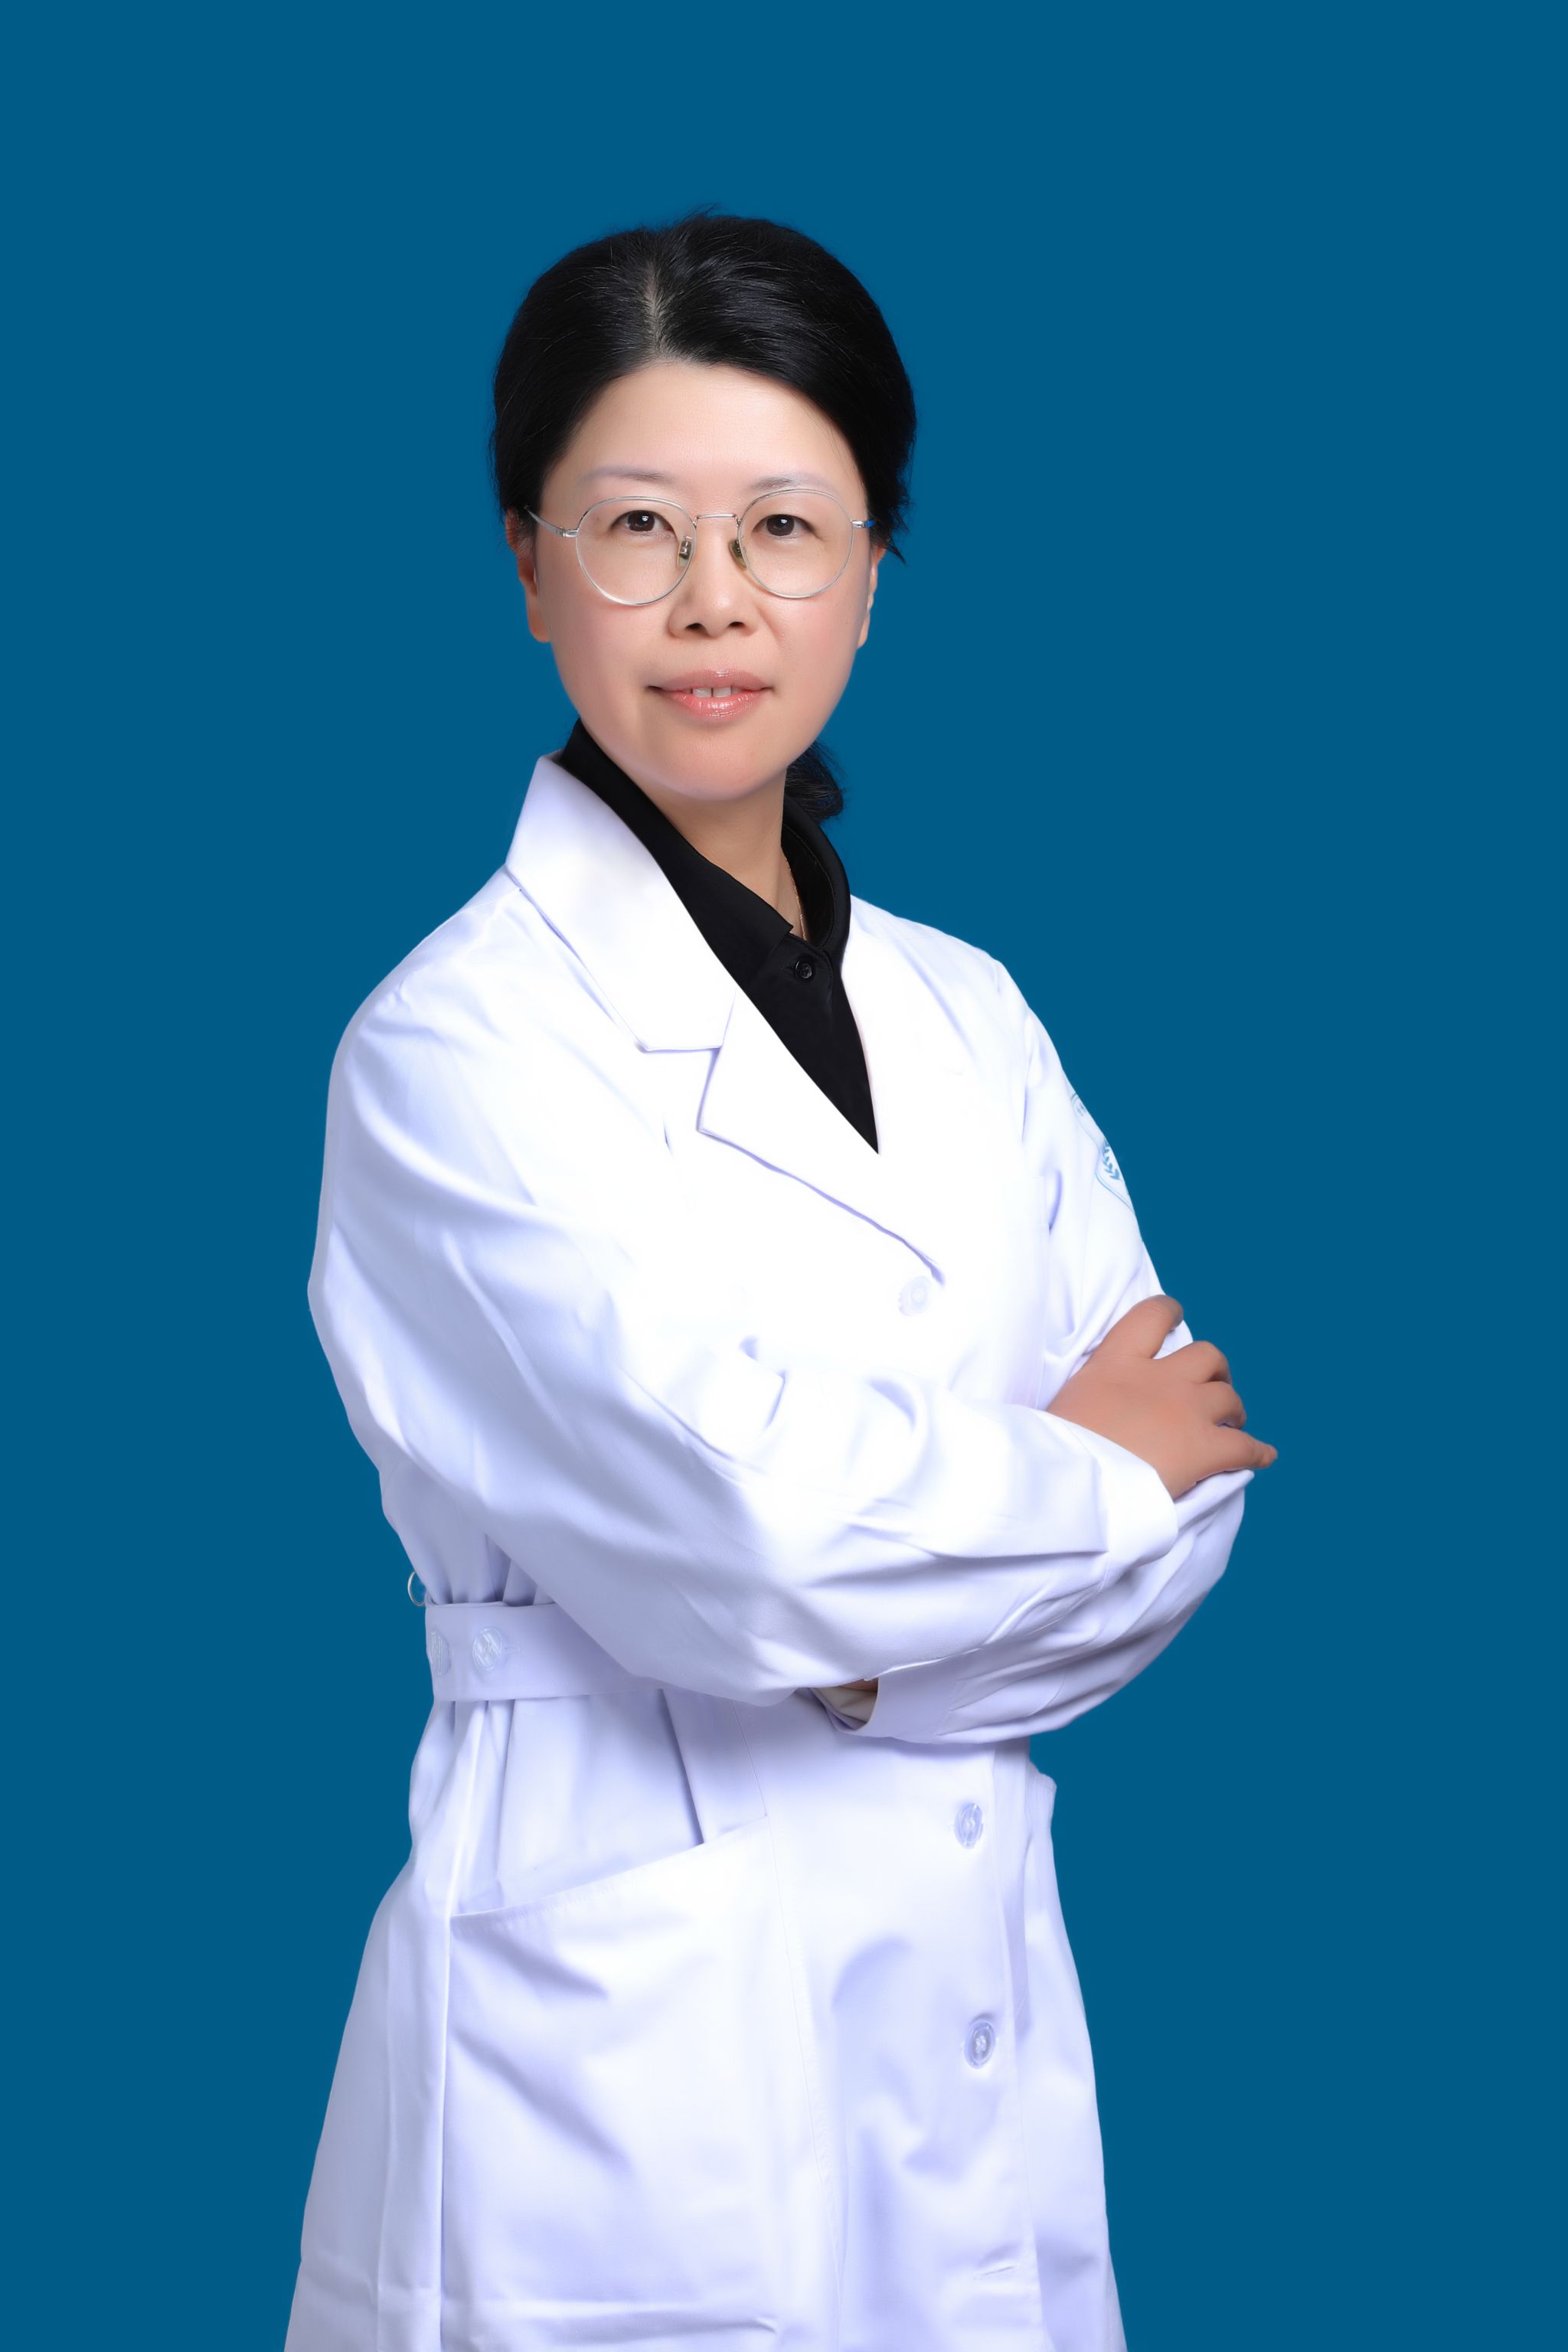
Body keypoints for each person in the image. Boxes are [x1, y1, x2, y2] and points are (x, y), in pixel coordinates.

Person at [284, 210, 1277, 2352]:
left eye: (786, 528)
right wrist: (1061, 1485)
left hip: (961, 1996)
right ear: (530, 562)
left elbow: (1190, 1500)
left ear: (873, 570)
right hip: (615, 2050)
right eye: (638, 525)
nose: (714, 600)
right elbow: (740, 1541)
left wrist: (850, 1649)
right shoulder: (452, 1051)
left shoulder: (970, 1013)